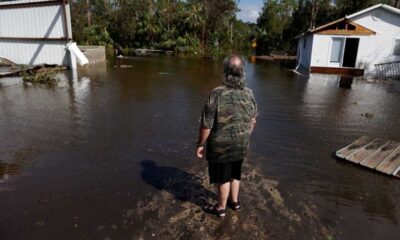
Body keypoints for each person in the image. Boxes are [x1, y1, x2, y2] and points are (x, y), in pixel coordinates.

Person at [196, 54, 257, 218]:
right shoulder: (249, 93)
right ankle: (235, 202)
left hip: (221, 146)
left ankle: (220, 208)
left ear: (225, 71)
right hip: (241, 143)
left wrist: (200, 144)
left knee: (223, 178)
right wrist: (244, 136)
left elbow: (206, 125)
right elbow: (253, 120)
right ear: (242, 72)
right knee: (235, 173)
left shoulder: (216, 93)